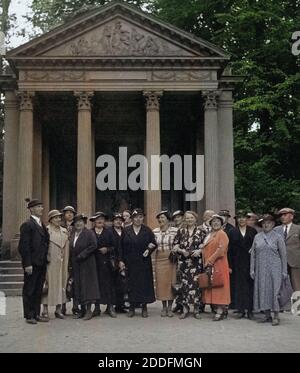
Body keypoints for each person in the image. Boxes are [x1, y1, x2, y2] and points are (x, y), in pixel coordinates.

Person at [119, 208, 157, 318]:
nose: (138, 219)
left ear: (143, 218)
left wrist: (149, 250)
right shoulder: (126, 230)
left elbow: (153, 243)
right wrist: (121, 260)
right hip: (130, 262)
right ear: (132, 219)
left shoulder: (147, 230)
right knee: (131, 285)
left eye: (140, 217)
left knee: (143, 284)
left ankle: (144, 307)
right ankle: (131, 308)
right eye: (136, 217)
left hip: (143, 262)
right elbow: (120, 246)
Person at [250, 214, 288, 326]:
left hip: (275, 268)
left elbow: (283, 255)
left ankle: (276, 315)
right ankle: (267, 315)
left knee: (274, 291)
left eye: (269, 223)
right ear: (261, 225)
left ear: (273, 224)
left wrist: (284, 271)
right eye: (264, 223)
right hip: (261, 268)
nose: (266, 225)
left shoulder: (278, 237)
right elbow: (253, 254)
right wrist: (252, 269)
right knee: (262, 290)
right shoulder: (257, 237)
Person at [18, 198, 50, 324]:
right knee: (29, 289)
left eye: (41, 206)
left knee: (38, 289)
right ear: (31, 209)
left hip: (41, 262)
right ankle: (29, 315)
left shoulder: (41, 224)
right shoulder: (27, 224)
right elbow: (24, 247)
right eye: (38, 207)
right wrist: (27, 264)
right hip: (32, 263)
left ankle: (36, 313)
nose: (41, 209)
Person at [172, 211, 205, 319]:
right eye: (187, 218)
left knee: (196, 285)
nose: (189, 220)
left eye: (191, 218)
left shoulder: (201, 231)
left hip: (196, 263)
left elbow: (206, 245)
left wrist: (200, 251)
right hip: (184, 263)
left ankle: (196, 309)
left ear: (195, 219)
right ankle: (185, 309)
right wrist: (181, 251)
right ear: (184, 219)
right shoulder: (181, 231)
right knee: (184, 285)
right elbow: (175, 245)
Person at [70, 214, 100, 321]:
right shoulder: (73, 234)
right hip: (76, 264)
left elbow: (94, 245)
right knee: (78, 286)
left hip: (87, 263)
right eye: (76, 222)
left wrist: (83, 254)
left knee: (87, 286)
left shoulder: (89, 233)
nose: (78, 224)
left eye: (81, 222)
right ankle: (81, 310)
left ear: (84, 223)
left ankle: (88, 311)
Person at [202, 214, 231, 321]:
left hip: (219, 264)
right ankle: (220, 309)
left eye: (218, 221)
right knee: (213, 286)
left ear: (221, 223)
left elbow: (221, 250)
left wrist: (210, 260)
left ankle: (220, 310)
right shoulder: (210, 234)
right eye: (213, 221)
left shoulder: (222, 234)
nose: (215, 223)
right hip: (210, 265)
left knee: (220, 286)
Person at [42, 210, 69, 319]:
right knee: (48, 284)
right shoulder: (46, 231)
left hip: (63, 262)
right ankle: (45, 309)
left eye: (59, 217)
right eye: (56, 218)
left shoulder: (64, 231)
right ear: (50, 220)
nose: (58, 219)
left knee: (61, 284)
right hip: (50, 262)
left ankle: (58, 309)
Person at [230, 211, 257, 319]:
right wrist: (230, 265)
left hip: (250, 262)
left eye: (244, 218)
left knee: (250, 286)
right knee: (239, 286)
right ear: (236, 220)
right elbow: (229, 250)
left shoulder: (253, 231)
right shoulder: (232, 232)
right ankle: (240, 309)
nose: (241, 220)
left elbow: (256, 247)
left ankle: (250, 310)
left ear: (247, 219)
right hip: (237, 263)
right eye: (239, 218)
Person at [90, 211, 117, 318]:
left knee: (108, 285)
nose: (100, 221)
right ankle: (96, 308)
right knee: (96, 285)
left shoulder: (109, 232)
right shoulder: (90, 232)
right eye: (97, 219)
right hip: (94, 263)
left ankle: (110, 307)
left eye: (101, 219)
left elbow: (114, 246)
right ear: (94, 221)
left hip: (107, 264)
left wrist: (107, 249)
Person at [153, 210, 178, 317]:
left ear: (168, 219)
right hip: (160, 258)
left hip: (171, 259)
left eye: (163, 217)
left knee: (171, 282)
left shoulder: (175, 231)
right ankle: (163, 307)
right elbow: (151, 245)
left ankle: (170, 308)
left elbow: (179, 243)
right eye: (159, 218)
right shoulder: (155, 231)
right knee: (161, 283)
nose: (161, 220)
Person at [274, 208, 300, 291]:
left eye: (285, 215)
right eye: (281, 215)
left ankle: (297, 303)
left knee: (296, 285)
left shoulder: (298, 229)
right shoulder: (276, 230)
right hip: (279, 261)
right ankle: (279, 303)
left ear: (291, 216)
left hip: (294, 261)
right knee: (279, 285)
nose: (282, 217)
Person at [109, 212, 127, 313]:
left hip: (124, 260)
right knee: (112, 284)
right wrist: (117, 260)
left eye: (120, 220)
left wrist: (123, 261)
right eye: (116, 220)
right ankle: (111, 305)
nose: (118, 221)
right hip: (112, 261)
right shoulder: (109, 232)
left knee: (122, 284)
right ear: (113, 221)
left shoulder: (125, 232)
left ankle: (120, 305)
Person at [60, 205, 76, 316]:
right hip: (63, 257)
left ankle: (76, 306)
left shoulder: (78, 226)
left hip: (75, 257)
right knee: (63, 282)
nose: (69, 214)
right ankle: (63, 306)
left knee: (75, 282)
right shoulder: (60, 226)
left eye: (71, 213)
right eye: (67, 213)